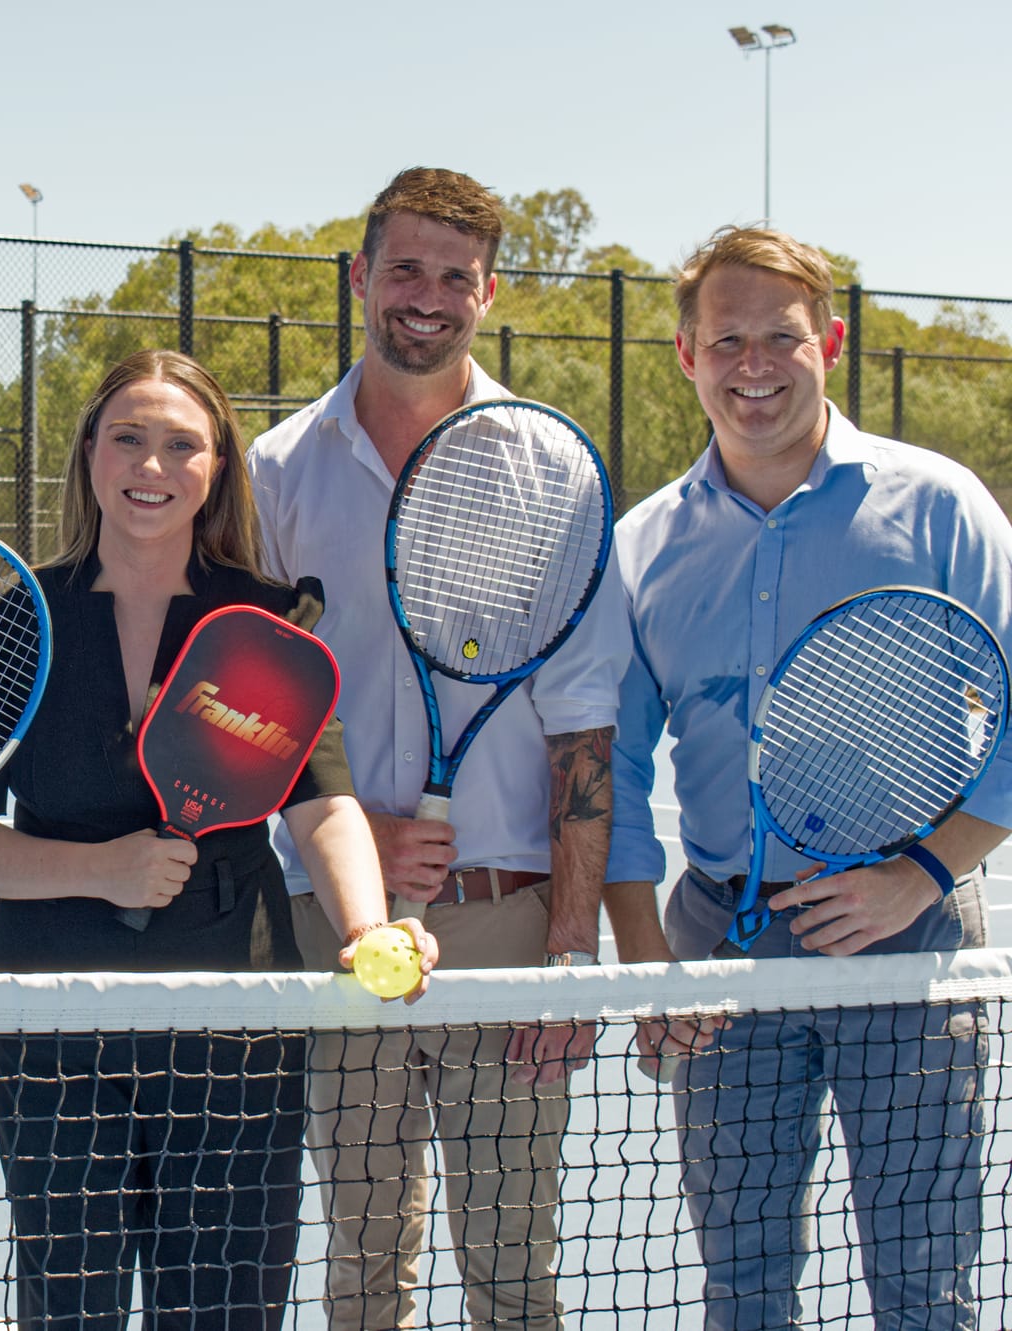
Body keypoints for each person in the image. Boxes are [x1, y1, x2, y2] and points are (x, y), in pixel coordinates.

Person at [0, 349, 423, 1331]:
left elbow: (323, 806)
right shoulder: (13, 618)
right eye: (128, 438)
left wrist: (366, 925)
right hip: (50, 1017)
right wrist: (103, 869)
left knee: (226, 1307)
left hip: (235, 1011)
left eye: (181, 445)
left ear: (216, 465)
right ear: (89, 453)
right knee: (71, 1309)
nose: (152, 465)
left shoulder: (267, 618)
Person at [605, 225, 1011, 1330]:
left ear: (827, 342)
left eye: (780, 336)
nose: (754, 365)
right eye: (725, 339)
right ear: (685, 355)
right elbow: (612, 768)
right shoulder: (642, 546)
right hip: (718, 947)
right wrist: (647, 960)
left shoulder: (939, 505)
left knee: (924, 1288)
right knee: (743, 1290)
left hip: (910, 938)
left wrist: (920, 875)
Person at [245, 166, 628, 1329]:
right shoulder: (275, 470)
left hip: (508, 926)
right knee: (363, 1269)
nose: (426, 296)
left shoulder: (553, 467)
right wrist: (353, 839)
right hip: (334, 921)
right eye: (403, 268)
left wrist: (568, 948)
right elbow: (258, 703)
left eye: (453, 276)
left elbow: (583, 722)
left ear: (487, 292)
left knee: (513, 1279)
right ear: (359, 277)